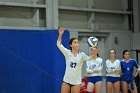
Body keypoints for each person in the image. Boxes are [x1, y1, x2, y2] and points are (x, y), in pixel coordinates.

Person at [57, 27, 89, 93]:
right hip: (66, 81)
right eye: (75, 42)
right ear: (71, 45)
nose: (77, 44)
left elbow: (90, 59)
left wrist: (94, 51)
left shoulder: (82, 55)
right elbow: (59, 44)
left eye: (77, 42)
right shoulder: (67, 53)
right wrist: (60, 34)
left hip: (76, 83)